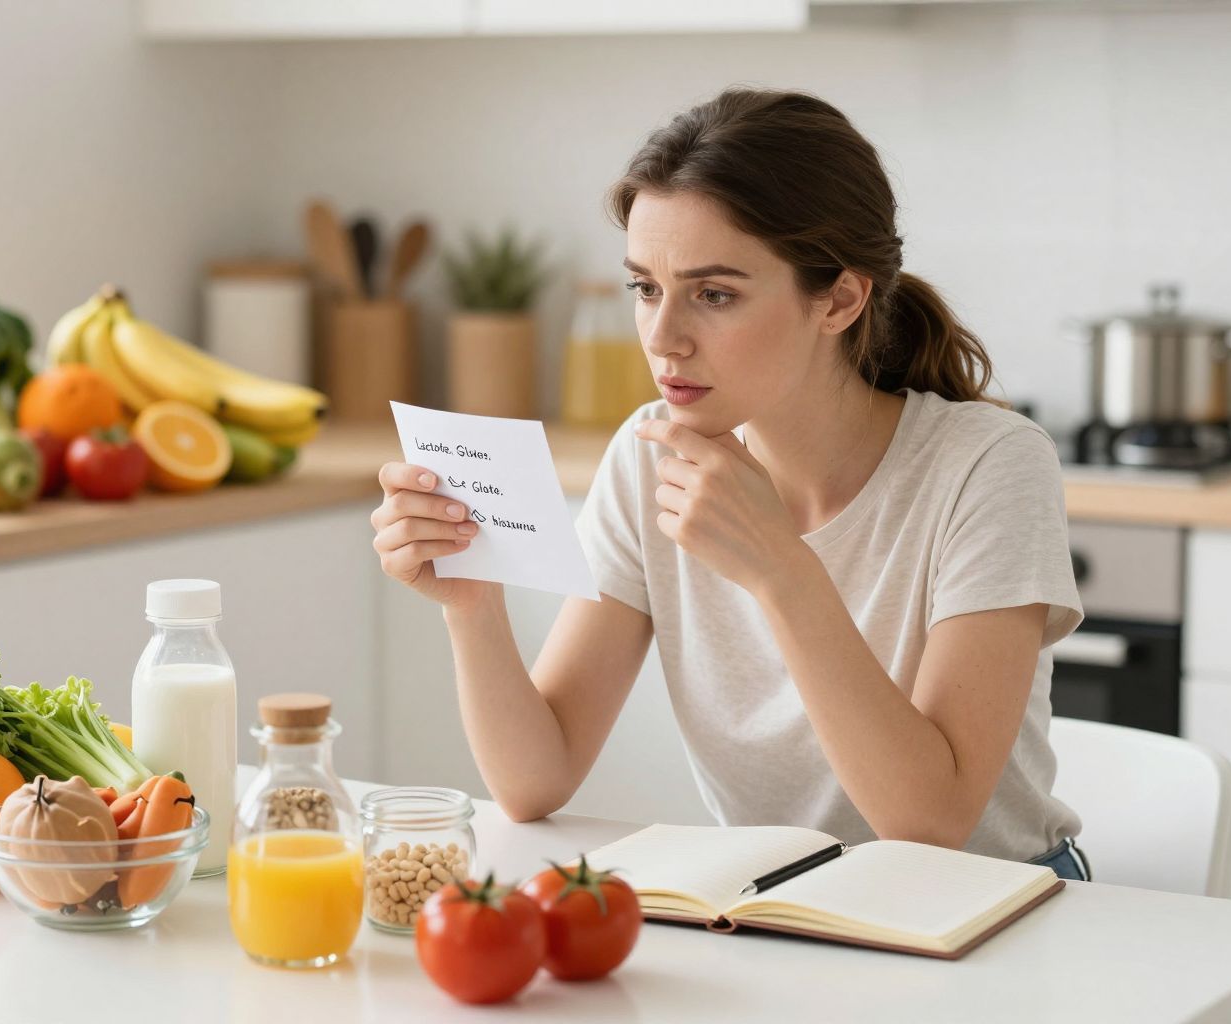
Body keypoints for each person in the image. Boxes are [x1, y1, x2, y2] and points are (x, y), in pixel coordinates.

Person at [370, 87, 1090, 882]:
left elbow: (930, 825)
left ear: (840, 300)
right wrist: (474, 605)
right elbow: (533, 781)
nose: (663, 337)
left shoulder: (988, 465)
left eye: (714, 295)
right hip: (781, 911)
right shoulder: (650, 457)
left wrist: (780, 570)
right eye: (646, 288)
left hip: (991, 910)